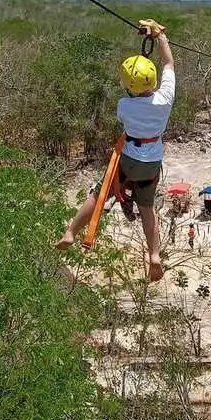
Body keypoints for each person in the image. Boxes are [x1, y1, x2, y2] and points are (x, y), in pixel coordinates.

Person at [58, 20, 175, 282]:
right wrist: (161, 37)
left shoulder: (124, 105)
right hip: (151, 162)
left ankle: (71, 231)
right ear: (153, 80)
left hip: (129, 159)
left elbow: (130, 109)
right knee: (147, 208)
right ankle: (154, 254)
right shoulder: (165, 99)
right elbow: (168, 64)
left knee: (100, 193)